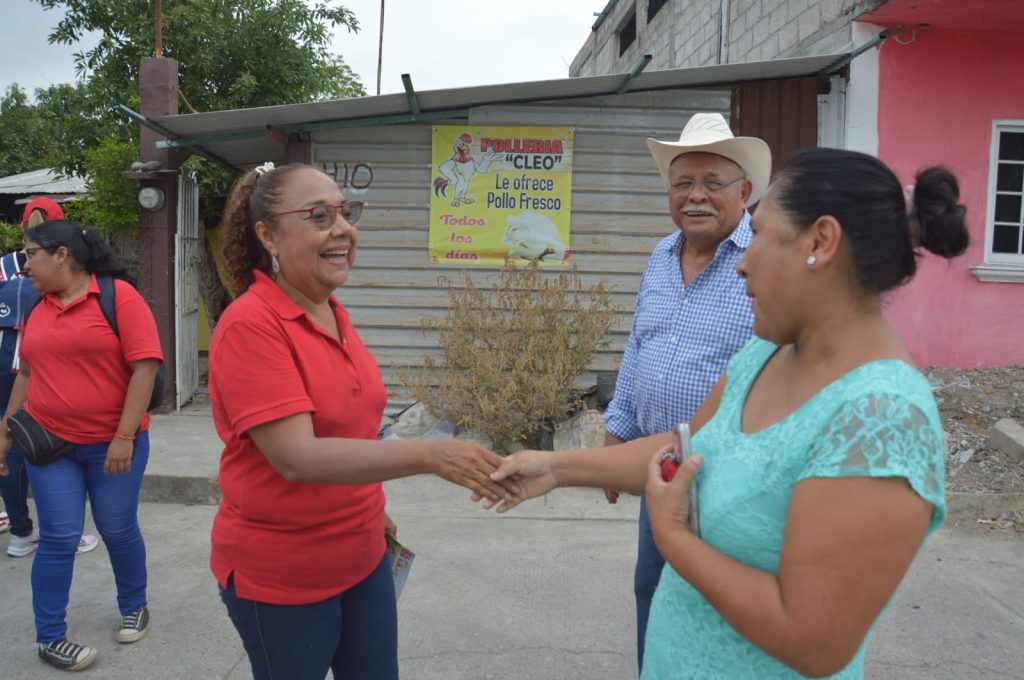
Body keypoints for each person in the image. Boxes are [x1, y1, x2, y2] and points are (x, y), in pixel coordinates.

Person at [484, 148, 968, 679]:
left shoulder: (883, 417)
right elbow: (691, 444)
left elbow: (814, 642)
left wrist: (676, 542)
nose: (741, 259)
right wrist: (555, 469)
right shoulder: (768, 353)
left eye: (760, 234)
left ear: (821, 242)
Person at [210, 161, 516, 680]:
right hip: (284, 573)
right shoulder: (251, 325)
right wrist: (429, 454)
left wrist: (369, 508)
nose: (343, 228)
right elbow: (297, 456)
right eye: (319, 215)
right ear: (269, 235)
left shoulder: (332, 311)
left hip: (362, 550)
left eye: (346, 212)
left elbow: (351, 428)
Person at [601, 112, 767, 669]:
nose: (695, 196)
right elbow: (638, 346)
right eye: (682, 183)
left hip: (731, 475)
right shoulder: (659, 256)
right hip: (662, 467)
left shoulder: (762, 258)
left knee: (720, 605)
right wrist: (617, 432)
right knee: (652, 587)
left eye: (712, 183)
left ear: (744, 191)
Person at [0, 220, 163, 672]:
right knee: (58, 539)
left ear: (61, 256)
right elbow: (27, 374)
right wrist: (5, 430)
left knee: (116, 528)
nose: (24, 262)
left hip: (114, 445)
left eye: (31, 253)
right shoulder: (36, 305)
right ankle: (50, 637)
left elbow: (144, 369)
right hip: (52, 447)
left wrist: (124, 437)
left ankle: (134, 603)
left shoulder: (118, 297)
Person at [0, 198, 99, 558]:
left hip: (4, 367)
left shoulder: (3, 266)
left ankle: (20, 533)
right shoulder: (65, 269)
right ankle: (63, 531)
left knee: (9, 444)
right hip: (39, 368)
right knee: (51, 448)